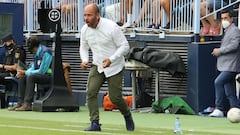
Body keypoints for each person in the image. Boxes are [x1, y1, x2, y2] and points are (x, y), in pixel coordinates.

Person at [80, 3, 134, 131]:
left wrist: (111, 59)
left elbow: (125, 46)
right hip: (97, 65)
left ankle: (127, 114)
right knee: (90, 92)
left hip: (115, 66)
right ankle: (95, 123)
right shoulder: (84, 30)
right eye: (85, 15)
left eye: (89, 15)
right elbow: (83, 47)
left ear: (97, 15)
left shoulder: (111, 27)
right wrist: (85, 60)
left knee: (115, 98)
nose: (86, 18)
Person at [8, 36, 52, 111]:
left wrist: (25, 72)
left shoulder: (46, 52)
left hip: (48, 76)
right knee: (23, 76)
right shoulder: (36, 53)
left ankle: (28, 104)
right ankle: (21, 102)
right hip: (38, 75)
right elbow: (33, 67)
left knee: (30, 76)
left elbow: (42, 71)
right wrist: (24, 73)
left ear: (34, 46)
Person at [209, 10, 240, 117]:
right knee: (230, 90)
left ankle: (219, 108)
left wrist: (219, 51)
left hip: (231, 66)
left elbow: (234, 45)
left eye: (226, 18)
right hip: (225, 65)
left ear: (231, 19)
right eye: (222, 19)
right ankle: (235, 109)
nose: (224, 21)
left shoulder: (235, 30)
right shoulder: (227, 31)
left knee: (218, 82)